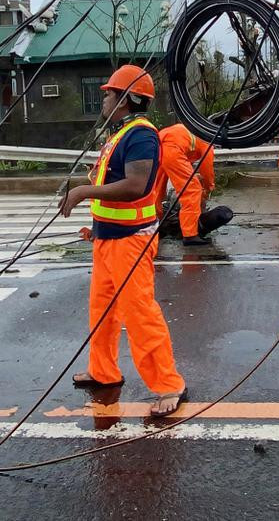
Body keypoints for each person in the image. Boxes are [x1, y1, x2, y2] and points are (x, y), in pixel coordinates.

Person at [59, 64, 187, 417]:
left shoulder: (142, 136)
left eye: (110, 93)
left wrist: (83, 191)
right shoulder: (121, 133)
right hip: (108, 238)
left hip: (131, 241)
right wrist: (95, 225)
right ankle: (103, 371)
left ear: (128, 98)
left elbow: (136, 186)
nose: (104, 98)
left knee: (140, 312)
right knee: (102, 311)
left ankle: (168, 384)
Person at [157, 123, 215, 246]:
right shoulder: (207, 138)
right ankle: (190, 234)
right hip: (172, 148)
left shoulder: (193, 128)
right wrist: (208, 187)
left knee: (155, 190)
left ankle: (155, 226)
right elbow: (207, 167)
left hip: (158, 145)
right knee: (192, 190)